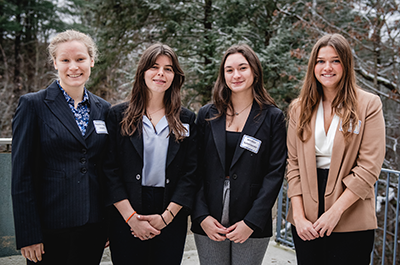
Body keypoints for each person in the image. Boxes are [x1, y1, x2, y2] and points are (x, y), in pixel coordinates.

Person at [11, 29, 110, 264]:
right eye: (65, 60)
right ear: (55, 63)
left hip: (93, 227)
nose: (73, 67)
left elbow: (106, 169)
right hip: (49, 230)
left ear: (91, 61)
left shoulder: (103, 109)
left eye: (80, 59)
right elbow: (21, 175)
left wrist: (109, 224)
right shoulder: (33, 105)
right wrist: (28, 235)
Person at [286, 33, 386, 265]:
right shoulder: (298, 108)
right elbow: (293, 165)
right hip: (306, 219)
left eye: (335, 60)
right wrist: (298, 216)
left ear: (346, 64)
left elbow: (369, 167)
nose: (327, 67)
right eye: (321, 61)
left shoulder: (368, 105)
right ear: (313, 66)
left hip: (351, 209)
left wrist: (334, 213)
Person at [191, 44, 287, 265]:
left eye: (242, 68)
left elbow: (275, 173)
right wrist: (201, 216)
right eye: (229, 70)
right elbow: (193, 168)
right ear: (223, 75)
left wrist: (251, 221)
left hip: (251, 216)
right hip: (209, 216)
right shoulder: (207, 114)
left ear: (254, 71)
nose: (236, 75)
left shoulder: (272, 117)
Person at [103, 43, 197, 265]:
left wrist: (167, 217)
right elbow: (109, 169)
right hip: (127, 208)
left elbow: (191, 172)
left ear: (175, 76)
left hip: (169, 209)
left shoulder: (187, 119)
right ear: (142, 71)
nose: (161, 74)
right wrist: (131, 218)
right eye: (154, 67)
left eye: (168, 68)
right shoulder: (118, 115)